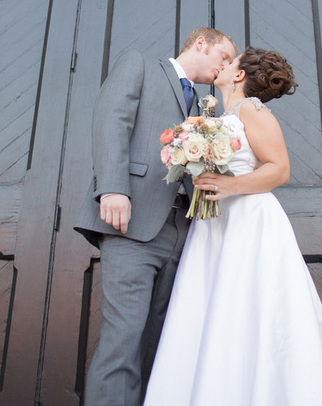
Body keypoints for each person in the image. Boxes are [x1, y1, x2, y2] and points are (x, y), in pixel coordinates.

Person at [143, 46, 322, 406]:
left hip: (248, 221)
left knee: (250, 305)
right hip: (214, 225)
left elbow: (279, 168)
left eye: (230, 63)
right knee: (210, 306)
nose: (223, 66)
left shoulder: (251, 110)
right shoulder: (218, 115)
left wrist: (229, 185)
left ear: (239, 75)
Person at [74, 28, 237, 406]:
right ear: (201, 43)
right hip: (132, 225)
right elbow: (111, 120)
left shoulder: (204, 105)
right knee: (123, 340)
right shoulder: (141, 66)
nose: (225, 67)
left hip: (183, 234)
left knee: (159, 344)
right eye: (224, 57)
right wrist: (113, 188)